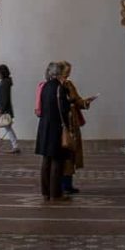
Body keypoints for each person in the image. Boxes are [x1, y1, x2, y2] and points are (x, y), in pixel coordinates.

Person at [35, 61, 72, 202]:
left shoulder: (44, 86)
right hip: (56, 128)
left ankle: (45, 192)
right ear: (58, 73)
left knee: (46, 161)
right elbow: (64, 109)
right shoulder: (59, 88)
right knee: (57, 161)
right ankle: (56, 194)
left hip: (44, 126)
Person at [60, 60, 96, 194]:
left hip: (72, 123)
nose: (68, 76)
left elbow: (77, 100)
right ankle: (61, 184)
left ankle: (68, 184)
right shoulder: (56, 86)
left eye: (69, 73)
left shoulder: (69, 84)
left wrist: (86, 102)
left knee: (71, 153)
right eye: (66, 73)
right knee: (64, 153)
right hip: (64, 123)